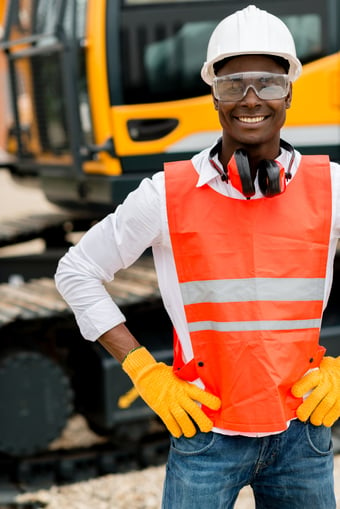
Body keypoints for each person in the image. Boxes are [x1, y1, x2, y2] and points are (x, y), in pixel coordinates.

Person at [55, 5, 340, 508]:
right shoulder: (165, 195)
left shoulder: (332, 188)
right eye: (233, 85)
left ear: (290, 91)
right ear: (213, 95)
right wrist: (144, 370)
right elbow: (77, 270)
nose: (250, 100)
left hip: (303, 435)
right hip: (205, 434)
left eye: (268, 84)